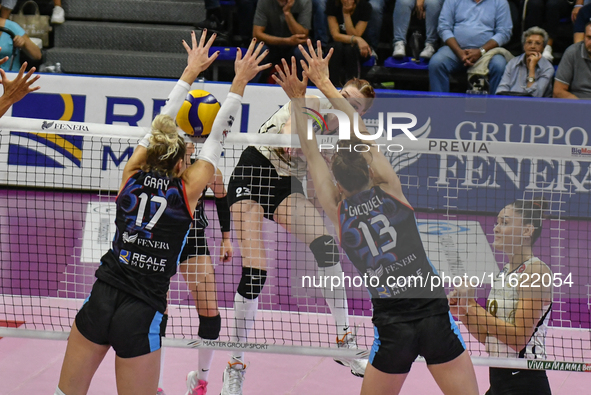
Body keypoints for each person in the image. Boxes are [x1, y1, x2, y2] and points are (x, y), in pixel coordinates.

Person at [54, 31, 270, 395]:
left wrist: (188, 74)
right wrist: (238, 82)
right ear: (182, 163)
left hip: (102, 297)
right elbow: (218, 137)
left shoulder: (131, 176)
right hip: (141, 310)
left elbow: (158, 126)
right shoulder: (185, 193)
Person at [272, 39, 480, 395]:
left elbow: (310, 149)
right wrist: (323, 84)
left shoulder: (339, 213)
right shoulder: (391, 191)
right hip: (432, 314)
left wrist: (297, 99)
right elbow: (357, 127)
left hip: (392, 325)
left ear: (337, 182)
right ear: (369, 171)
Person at [222, 75, 375, 394]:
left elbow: (325, 190)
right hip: (255, 170)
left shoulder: (345, 136)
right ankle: (235, 365)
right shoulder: (314, 104)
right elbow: (290, 146)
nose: (344, 102)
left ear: (359, 113)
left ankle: (345, 341)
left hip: (286, 185)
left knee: (328, 248)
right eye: (343, 95)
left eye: (354, 104)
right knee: (256, 269)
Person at [448, 198, 553, 395]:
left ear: (526, 231)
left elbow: (519, 338)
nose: (496, 228)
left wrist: (472, 307)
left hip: (525, 383)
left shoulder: (535, 271)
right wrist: (463, 311)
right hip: (499, 380)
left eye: (504, 223)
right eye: (497, 222)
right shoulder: (504, 272)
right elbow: (490, 339)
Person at [156, 146, 233, 395]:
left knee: (211, 314)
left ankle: (200, 381)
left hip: (194, 240)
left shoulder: (206, 169)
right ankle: (153, 383)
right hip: (162, 240)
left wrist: (226, 238)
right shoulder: (159, 166)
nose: (189, 141)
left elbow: (221, 196)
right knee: (158, 314)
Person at [428, 0, 512, 93]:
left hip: (488, 52)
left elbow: (504, 32)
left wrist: (481, 51)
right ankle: (440, 105)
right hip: (456, 50)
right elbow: (444, 27)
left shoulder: (500, 2)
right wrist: (459, 51)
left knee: (499, 65)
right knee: (436, 63)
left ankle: (495, 105)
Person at [252, 0, 312, 81]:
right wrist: (286, 41)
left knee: (302, 52)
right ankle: (252, 88)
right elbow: (257, 34)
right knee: (260, 50)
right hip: (271, 46)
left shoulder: (304, 2)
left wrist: (287, 13)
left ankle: (306, 88)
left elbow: (303, 35)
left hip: (293, 47)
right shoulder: (264, 1)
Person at [496, 27, 554, 97]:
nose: (533, 46)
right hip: (510, 103)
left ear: (543, 48)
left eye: (538, 43)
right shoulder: (513, 63)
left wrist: (532, 68)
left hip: (535, 107)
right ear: (524, 46)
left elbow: (535, 96)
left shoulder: (547, 68)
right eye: (529, 42)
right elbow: (501, 90)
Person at [325, 0, 372, 87]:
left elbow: (356, 34)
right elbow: (335, 35)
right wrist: (357, 39)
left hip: (358, 48)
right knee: (337, 47)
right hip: (336, 45)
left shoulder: (364, 6)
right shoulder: (332, 4)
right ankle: (333, 85)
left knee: (350, 49)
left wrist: (346, 15)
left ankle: (352, 85)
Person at [553, 21, 591, 99]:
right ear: (583, 37)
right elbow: (558, 91)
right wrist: (582, 106)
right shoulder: (572, 52)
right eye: (589, 38)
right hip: (577, 104)